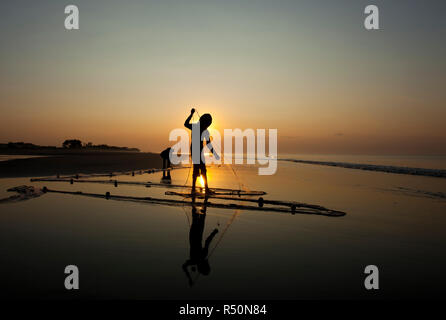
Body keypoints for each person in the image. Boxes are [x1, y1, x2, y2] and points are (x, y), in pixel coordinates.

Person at [182, 198, 218, 286]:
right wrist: (189, 277)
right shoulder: (194, 261)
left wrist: (214, 233)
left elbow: (207, 241)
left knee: (202, 214)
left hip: (197, 234)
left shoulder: (197, 259)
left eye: (207, 265)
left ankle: (203, 196)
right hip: (194, 235)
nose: (208, 263)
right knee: (196, 214)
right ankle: (197, 193)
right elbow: (184, 266)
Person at [184, 108, 219, 194]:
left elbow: (208, 144)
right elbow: (185, 124)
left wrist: (214, 153)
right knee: (200, 168)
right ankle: (203, 189)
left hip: (198, 150)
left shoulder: (202, 129)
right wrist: (191, 114)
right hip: (196, 150)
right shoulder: (198, 128)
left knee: (199, 169)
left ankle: (195, 188)